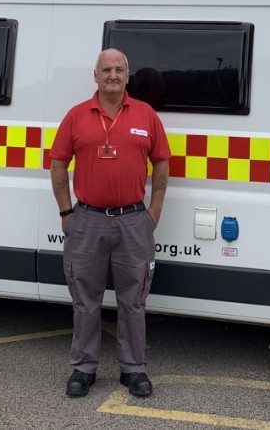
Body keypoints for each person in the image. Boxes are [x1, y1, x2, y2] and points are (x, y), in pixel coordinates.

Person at [50, 48, 171, 398]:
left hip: (134, 221)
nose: (113, 75)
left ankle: (133, 370)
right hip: (86, 220)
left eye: (119, 69)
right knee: (85, 301)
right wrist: (66, 213)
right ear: (96, 76)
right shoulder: (76, 116)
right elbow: (58, 165)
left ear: (128, 75)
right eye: (106, 70)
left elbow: (161, 163)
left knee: (133, 301)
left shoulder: (146, 115)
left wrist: (154, 212)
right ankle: (83, 369)